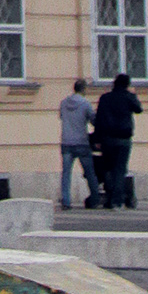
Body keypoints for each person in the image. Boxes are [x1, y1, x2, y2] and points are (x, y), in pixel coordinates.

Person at [91, 69, 141, 208]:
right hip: (124, 138)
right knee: (120, 170)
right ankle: (117, 201)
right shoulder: (128, 97)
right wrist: (133, 95)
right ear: (127, 85)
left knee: (108, 169)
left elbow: (99, 120)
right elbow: (138, 109)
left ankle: (109, 198)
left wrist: (97, 139)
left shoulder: (105, 98)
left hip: (107, 139)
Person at [58, 79, 100, 209]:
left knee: (66, 174)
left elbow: (61, 117)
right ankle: (95, 198)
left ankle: (66, 201)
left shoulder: (63, 103)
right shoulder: (85, 104)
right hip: (81, 142)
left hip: (66, 141)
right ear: (84, 89)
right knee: (90, 172)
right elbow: (93, 120)